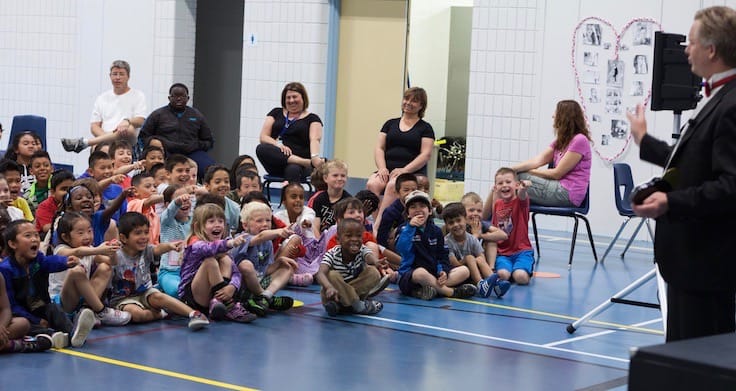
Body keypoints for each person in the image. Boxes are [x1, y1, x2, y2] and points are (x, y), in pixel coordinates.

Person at [625, 6, 736, 342]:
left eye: (690, 42)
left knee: (697, 364)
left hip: (705, 264)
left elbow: (731, 185)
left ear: (711, 49)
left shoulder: (731, 105)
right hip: (694, 265)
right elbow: (693, 163)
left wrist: (670, 203)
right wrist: (645, 141)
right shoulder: (718, 97)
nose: (685, 49)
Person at [112, 212, 209, 330]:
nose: (144, 237)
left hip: (145, 293)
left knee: (159, 297)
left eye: (146, 232)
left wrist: (170, 246)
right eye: (138, 233)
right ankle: (161, 313)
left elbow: (157, 248)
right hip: (124, 299)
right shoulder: (117, 255)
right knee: (137, 315)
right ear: (123, 238)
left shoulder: (145, 250)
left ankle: (195, 314)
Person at [177, 203, 255, 323]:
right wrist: (229, 243)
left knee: (226, 260)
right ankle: (229, 305)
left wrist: (232, 287)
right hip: (192, 296)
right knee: (210, 261)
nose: (217, 225)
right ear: (198, 226)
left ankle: (218, 301)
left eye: (220, 221)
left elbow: (236, 273)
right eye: (211, 221)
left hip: (213, 296)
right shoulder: (195, 244)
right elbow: (209, 248)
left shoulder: (221, 247)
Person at [366, 87, 435, 220]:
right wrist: (382, 168)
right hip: (388, 170)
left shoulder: (425, 128)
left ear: (421, 106)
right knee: (372, 184)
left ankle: (380, 223)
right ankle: (376, 218)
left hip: (411, 172)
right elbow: (379, 148)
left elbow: (425, 155)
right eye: (406, 99)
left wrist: (405, 170)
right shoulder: (390, 124)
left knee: (393, 185)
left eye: (414, 101)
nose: (408, 103)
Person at [395, 190, 477, 300]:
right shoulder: (404, 229)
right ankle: (451, 292)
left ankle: (429, 290)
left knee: (464, 271)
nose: (418, 209)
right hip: (411, 276)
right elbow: (401, 249)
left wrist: (443, 272)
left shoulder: (436, 231)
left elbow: (442, 256)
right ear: (408, 213)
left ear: (429, 211)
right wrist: (410, 228)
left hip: (433, 274)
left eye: (422, 206)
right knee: (420, 273)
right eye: (413, 207)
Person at [512, 100, 592, 207]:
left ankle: (486, 220)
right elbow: (537, 160)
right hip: (558, 188)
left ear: (564, 117)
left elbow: (556, 174)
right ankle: (489, 220)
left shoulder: (580, 140)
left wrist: (530, 172)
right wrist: (512, 169)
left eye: (556, 113)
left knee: (511, 180)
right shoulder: (560, 141)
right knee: (507, 178)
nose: (553, 116)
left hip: (567, 193)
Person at [62, 60, 147, 154]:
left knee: (129, 129)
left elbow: (141, 120)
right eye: (115, 74)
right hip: (105, 139)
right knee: (99, 148)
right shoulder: (102, 98)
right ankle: (87, 143)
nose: (118, 77)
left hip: (127, 139)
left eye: (121, 74)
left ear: (128, 76)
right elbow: (94, 126)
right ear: (110, 76)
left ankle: (85, 143)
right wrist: (108, 138)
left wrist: (127, 121)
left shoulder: (138, 95)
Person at [230, 202, 296, 316]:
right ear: (245, 225)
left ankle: (265, 296)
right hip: (240, 288)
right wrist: (278, 231)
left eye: (268, 220)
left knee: (287, 267)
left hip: (259, 282)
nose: (265, 224)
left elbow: (266, 270)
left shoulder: (268, 243)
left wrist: (279, 262)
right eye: (259, 221)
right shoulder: (242, 238)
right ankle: (266, 298)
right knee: (245, 265)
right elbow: (260, 237)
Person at [139, 83, 216, 181]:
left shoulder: (196, 115)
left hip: (192, 152)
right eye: (175, 96)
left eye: (182, 96)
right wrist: (154, 142)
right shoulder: (158, 114)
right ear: (169, 98)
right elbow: (142, 137)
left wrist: (195, 145)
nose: (179, 99)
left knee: (210, 170)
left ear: (188, 98)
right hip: (167, 152)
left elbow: (209, 141)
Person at [255, 82, 325, 183]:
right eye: (288, 97)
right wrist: (278, 145)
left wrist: (315, 157)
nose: (291, 100)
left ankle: (288, 198)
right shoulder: (275, 112)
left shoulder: (313, 118)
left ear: (303, 98)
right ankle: (306, 162)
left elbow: (315, 140)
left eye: (294, 97)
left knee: (293, 169)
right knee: (261, 148)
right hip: (278, 161)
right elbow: (263, 137)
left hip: (300, 167)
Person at [315, 219, 386, 316]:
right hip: (332, 294)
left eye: (358, 236)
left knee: (373, 272)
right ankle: (357, 305)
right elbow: (320, 273)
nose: (354, 239)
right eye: (348, 236)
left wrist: (376, 262)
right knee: (332, 275)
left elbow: (368, 256)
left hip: (349, 292)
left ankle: (343, 305)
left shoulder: (362, 249)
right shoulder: (332, 254)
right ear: (338, 240)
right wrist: (329, 287)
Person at [491, 168, 532, 296]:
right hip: (503, 253)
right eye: (500, 183)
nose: (504, 186)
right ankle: (511, 272)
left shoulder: (520, 202)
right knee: (502, 274)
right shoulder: (497, 204)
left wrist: (524, 188)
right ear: (496, 187)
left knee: (521, 277)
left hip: (522, 251)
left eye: (508, 182)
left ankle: (519, 270)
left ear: (516, 185)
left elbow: (522, 194)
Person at [441, 203, 497, 297]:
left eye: (458, 220)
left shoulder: (471, 239)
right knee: (470, 257)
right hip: (457, 273)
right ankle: (480, 285)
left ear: (465, 219)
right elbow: (454, 263)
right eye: (451, 223)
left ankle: (497, 285)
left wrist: (474, 261)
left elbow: (481, 256)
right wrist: (468, 260)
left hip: (472, 271)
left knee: (478, 259)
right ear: (446, 225)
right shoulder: (447, 241)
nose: (456, 225)